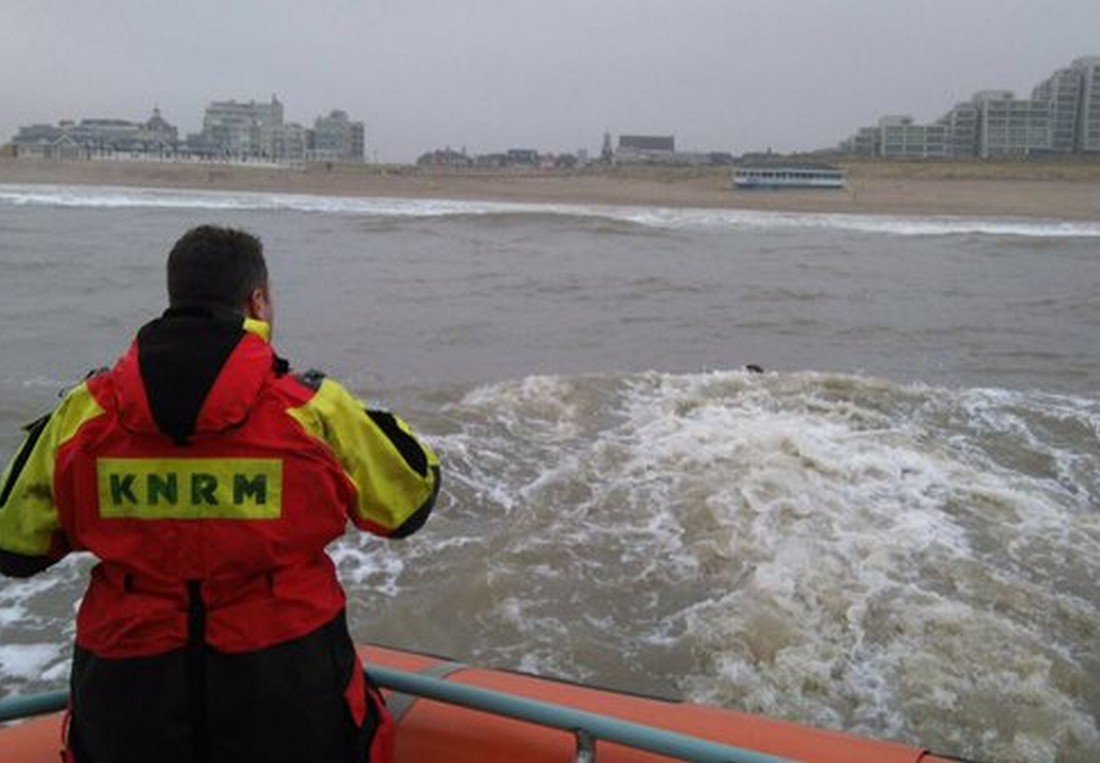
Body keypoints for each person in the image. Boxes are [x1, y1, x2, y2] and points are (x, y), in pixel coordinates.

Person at [0, 225, 441, 763]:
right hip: (287, 689)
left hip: (128, 699)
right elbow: (407, 502)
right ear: (257, 301)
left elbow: (13, 543)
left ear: (175, 298)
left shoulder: (85, 412)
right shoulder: (311, 409)